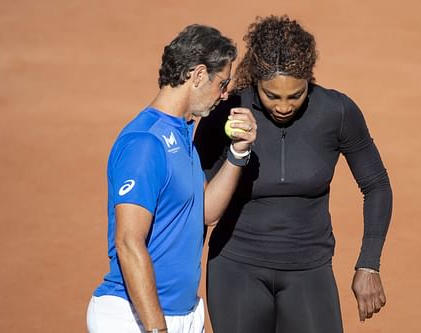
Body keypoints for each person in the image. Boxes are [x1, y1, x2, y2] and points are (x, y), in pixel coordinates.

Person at [195, 15, 393, 333]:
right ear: (256, 80)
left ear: (309, 81)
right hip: (236, 269)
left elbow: (376, 185)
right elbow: (196, 198)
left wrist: (369, 263)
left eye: (296, 95)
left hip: (310, 271)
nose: (284, 106)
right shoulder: (226, 112)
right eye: (271, 95)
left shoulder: (337, 112)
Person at [87, 24, 257, 333]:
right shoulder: (145, 142)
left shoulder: (181, 134)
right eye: (223, 83)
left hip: (184, 314)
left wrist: (237, 154)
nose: (225, 94)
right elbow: (128, 241)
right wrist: (157, 328)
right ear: (198, 75)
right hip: (134, 317)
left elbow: (205, 212)